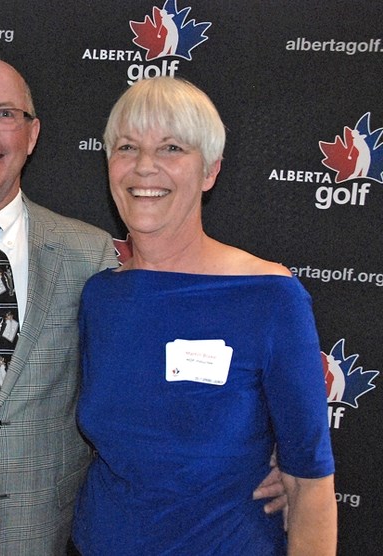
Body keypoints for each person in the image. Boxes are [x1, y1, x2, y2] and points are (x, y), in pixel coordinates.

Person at [0, 56, 285, 555]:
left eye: (5, 114)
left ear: (32, 134)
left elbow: (160, 369)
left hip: (46, 538)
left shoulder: (90, 255)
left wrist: (272, 445)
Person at [71, 77, 336, 555]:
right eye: (127, 146)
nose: (145, 166)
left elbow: (310, 485)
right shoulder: (100, 297)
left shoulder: (270, 296)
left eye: (171, 148)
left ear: (210, 170)